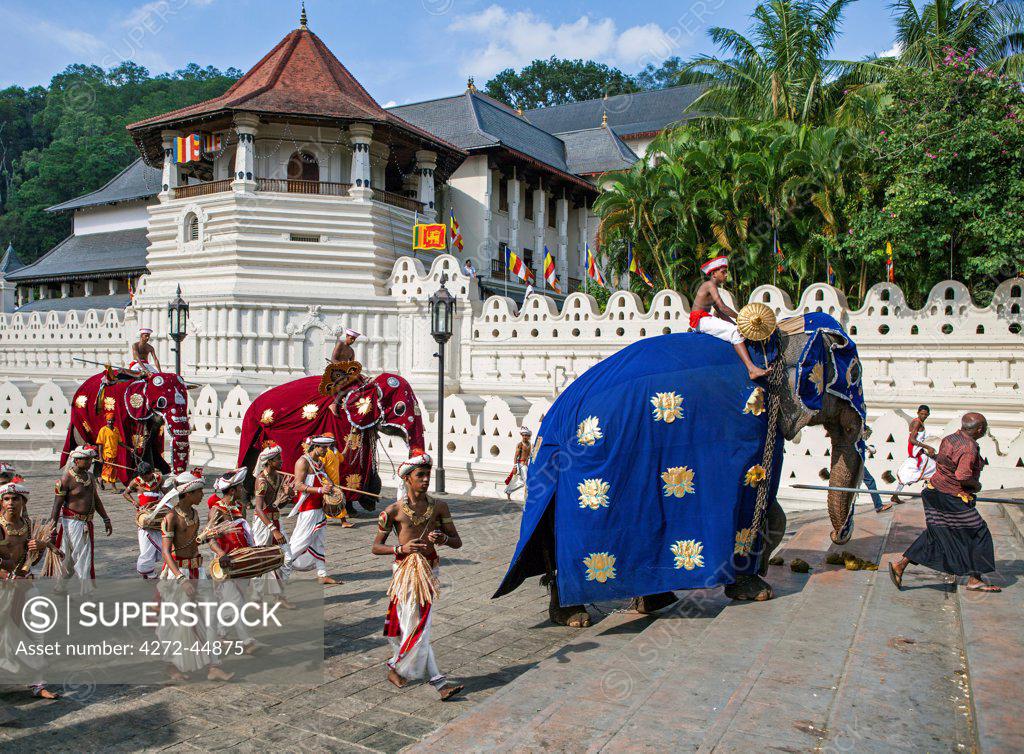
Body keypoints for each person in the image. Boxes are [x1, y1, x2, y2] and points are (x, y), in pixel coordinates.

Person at [373, 453, 464, 700]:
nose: (425, 480)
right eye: (420, 476)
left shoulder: (439, 507)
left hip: (429, 571)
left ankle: (398, 667)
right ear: (406, 479)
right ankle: (436, 680)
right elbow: (376, 547)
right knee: (412, 625)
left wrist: (443, 539)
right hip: (404, 572)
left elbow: (457, 542)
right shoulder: (392, 512)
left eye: (428, 475)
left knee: (421, 624)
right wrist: (400, 549)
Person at [889, 413, 1000, 593]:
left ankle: (900, 566)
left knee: (937, 532)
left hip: (935, 492)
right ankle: (975, 579)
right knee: (980, 532)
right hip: (952, 498)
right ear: (980, 429)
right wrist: (976, 485)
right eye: (985, 428)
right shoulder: (968, 448)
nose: (985, 431)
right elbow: (963, 477)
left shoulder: (950, 438)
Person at [158, 470, 233, 681]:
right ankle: (171, 666)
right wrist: (181, 581)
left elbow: (193, 543)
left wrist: (215, 549)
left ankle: (214, 665)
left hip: (197, 570)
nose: (202, 495)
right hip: (179, 573)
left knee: (210, 617)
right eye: (199, 491)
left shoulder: (194, 514)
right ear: (189, 493)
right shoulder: (170, 518)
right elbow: (166, 552)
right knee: (175, 622)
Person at [0, 481, 60, 699]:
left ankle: (38, 682)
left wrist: (40, 547)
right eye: (6, 499)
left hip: (25, 585)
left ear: (23, 502)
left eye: (15, 498)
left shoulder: (28, 525)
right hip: (4, 586)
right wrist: (8, 576)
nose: (10, 503)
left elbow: (33, 559)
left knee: (37, 631)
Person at [690, 256, 770, 380]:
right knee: (734, 333)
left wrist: (738, 325)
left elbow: (721, 313)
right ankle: (752, 369)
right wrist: (743, 318)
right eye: (723, 272)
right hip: (700, 320)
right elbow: (723, 307)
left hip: (703, 320)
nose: (726, 275)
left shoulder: (712, 287)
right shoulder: (709, 284)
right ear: (714, 274)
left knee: (735, 329)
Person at [50, 447, 112, 589]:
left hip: (86, 522)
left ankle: (59, 587)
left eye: (90, 459)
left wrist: (106, 518)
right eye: (86, 459)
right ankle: (87, 594)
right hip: (73, 523)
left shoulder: (89, 476)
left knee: (71, 561)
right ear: (77, 461)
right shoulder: (66, 479)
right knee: (82, 559)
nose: (90, 462)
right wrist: (52, 529)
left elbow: (95, 499)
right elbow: (56, 506)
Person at [285, 436, 340, 585]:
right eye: (323, 448)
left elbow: (323, 479)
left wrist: (330, 485)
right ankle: (281, 573)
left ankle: (322, 574)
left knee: (319, 541)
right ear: (314, 446)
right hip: (308, 508)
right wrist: (321, 489)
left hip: (319, 506)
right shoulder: (302, 462)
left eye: (327, 448)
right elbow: (298, 486)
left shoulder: (319, 463)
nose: (325, 451)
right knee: (300, 543)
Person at [251, 443, 292, 604]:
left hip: (276, 519)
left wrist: (287, 496)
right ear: (269, 462)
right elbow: (259, 509)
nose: (281, 461)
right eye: (277, 459)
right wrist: (274, 530)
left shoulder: (279, 477)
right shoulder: (261, 481)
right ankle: (257, 597)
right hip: (263, 523)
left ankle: (277, 593)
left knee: (287, 559)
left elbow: (277, 505)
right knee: (262, 560)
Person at [123, 461, 164, 578]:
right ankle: (146, 570)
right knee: (146, 546)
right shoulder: (136, 482)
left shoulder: (159, 479)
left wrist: (155, 503)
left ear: (151, 472)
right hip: (143, 518)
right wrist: (134, 502)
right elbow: (126, 493)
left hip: (157, 516)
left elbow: (166, 496)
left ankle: (161, 567)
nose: (145, 478)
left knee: (162, 544)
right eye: (142, 476)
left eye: (147, 475)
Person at [891, 405, 936, 505]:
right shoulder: (917, 423)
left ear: (928, 414)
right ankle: (931, 495)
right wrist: (928, 447)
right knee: (933, 468)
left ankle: (895, 495)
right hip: (916, 453)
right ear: (918, 413)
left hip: (917, 452)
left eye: (925, 414)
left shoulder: (919, 422)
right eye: (922, 414)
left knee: (906, 473)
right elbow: (912, 439)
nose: (924, 416)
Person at [321, 433, 354, 528]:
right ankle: (343, 521)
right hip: (327, 482)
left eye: (333, 440)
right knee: (332, 501)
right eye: (331, 440)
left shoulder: (335, 451)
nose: (333, 442)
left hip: (335, 481)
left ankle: (340, 521)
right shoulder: (324, 453)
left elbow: (342, 457)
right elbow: (321, 469)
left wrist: (347, 446)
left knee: (335, 501)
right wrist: (329, 480)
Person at [861, 428, 892, 513]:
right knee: (870, 482)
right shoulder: (859, 440)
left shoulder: (854, 439)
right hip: (858, 465)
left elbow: (873, 451)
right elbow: (873, 451)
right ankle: (878, 506)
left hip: (850, 465)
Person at [95, 412, 123, 490]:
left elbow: (119, 442)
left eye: (112, 420)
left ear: (114, 420)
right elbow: (100, 444)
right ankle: (114, 487)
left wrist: (129, 448)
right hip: (107, 454)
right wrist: (100, 457)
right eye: (108, 420)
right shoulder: (103, 430)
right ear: (106, 420)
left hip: (114, 453)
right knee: (111, 470)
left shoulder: (116, 430)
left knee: (110, 471)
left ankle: (100, 479)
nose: (110, 422)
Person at [504, 427, 532, 499]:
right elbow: (515, 456)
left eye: (526, 435)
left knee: (521, 482)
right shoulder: (520, 444)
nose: (524, 437)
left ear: (529, 436)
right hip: (521, 465)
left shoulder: (530, 444)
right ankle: (528, 497)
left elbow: (530, 455)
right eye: (523, 435)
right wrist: (515, 467)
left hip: (526, 465)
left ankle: (509, 491)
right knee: (526, 481)